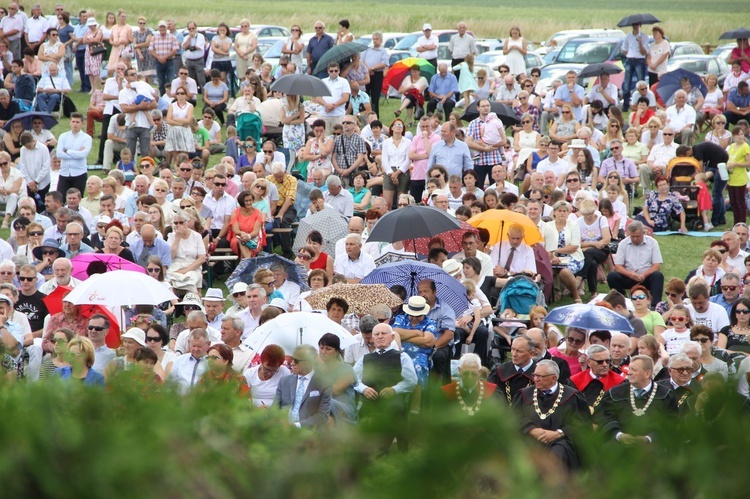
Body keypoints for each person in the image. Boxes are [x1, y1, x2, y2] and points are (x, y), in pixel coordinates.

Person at [513, 359, 591, 470]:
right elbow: (514, 417)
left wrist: (558, 434)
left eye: (541, 376)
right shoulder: (524, 394)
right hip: (530, 437)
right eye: (535, 375)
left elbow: (582, 423)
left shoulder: (572, 396)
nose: (535, 379)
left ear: (553, 378)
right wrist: (531, 430)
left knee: (558, 453)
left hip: (560, 441)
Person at [352, 323, 418, 451]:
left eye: (384, 333)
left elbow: (411, 381)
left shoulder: (402, 357)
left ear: (392, 337)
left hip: (394, 400)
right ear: (372, 338)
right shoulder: (365, 359)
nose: (380, 337)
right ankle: (368, 452)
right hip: (370, 399)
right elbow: (352, 379)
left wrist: (394, 389)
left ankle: (386, 450)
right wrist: (363, 389)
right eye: (376, 334)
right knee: (365, 416)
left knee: (395, 410)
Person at [596, 355, 677, 443]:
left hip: (654, 449)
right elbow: (605, 418)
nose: (629, 373)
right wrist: (619, 435)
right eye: (629, 369)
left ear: (647, 374)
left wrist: (649, 439)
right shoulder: (614, 394)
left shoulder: (666, 395)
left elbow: (670, 424)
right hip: (618, 446)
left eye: (634, 370)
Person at [607, 221, 664, 308]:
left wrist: (644, 275)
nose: (635, 239)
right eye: (632, 237)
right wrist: (630, 274)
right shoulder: (623, 244)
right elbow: (618, 266)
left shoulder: (652, 243)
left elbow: (656, 266)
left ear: (643, 233)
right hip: (629, 276)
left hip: (646, 277)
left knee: (658, 276)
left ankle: (655, 306)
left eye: (637, 236)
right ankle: (623, 301)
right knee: (612, 276)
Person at [275, 344, 332, 428]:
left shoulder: (323, 383)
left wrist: (296, 426)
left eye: (296, 361)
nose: (292, 363)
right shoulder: (284, 381)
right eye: (292, 359)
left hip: (309, 433)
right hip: (283, 431)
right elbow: (275, 408)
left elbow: (322, 416)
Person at [488, 335, 538, 404]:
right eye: (512, 349)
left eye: (519, 351)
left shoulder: (540, 373)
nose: (514, 354)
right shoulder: (500, 372)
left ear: (531, 354)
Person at [166, 210, 206, 294]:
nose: (178, 225)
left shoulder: (196, 236)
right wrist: (177, 238)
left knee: (190, 279)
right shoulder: (171, 236)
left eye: (181, 222)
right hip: (175, 266)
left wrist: (185, 270)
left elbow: (202, 258)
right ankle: (174, 303)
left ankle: (193, 300)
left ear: (187, 223)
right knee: (169, 279)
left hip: (192, 267)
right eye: (176, 223)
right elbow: (170, 256)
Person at [166, 328, 210, 394]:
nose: (196, 349)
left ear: (208, 344)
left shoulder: (212, 363)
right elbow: (170, 384)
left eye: (199, 346)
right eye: (193, 346)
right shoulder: (179, 361)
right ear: (189, 343)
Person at [620, 23, 649, 112]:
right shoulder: (628, 36)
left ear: (640, 25)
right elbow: (624, 49)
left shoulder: (644, 36)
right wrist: (629, 54)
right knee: (627, 84)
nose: (635, 26)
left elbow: (644, 52)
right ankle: (625, 106)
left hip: (639, 59)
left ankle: (643, 104)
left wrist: (640, 43)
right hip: (630, 59)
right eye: (634, 25)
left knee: (641, 84)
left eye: (637, 25)